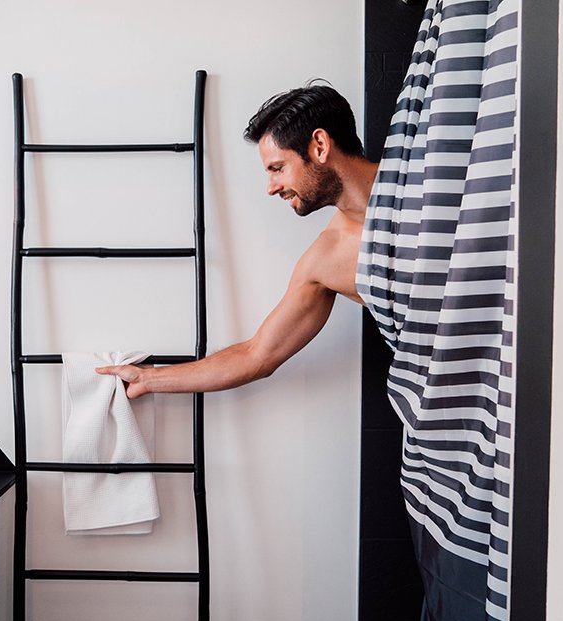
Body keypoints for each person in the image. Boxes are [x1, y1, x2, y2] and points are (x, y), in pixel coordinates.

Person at [96, 84, 378, 396]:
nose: (271, 187)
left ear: (320, 146)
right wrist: (148, 380)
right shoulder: (326, 260)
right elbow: (257, 355)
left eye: (277, 168)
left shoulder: (428, 176)